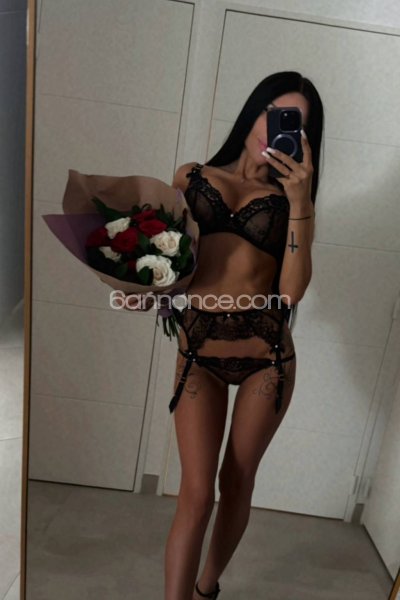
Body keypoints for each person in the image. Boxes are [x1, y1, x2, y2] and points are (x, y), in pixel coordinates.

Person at [164, 71, 324, 600]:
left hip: (266, 359)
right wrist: (144, 286)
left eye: (293, 123)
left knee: (236, 482)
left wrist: (301, 202)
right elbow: (166, 258)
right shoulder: (191, 176)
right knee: (195, 495)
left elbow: (292, 292)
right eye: (272, 113)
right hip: (199, 355)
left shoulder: (292, 201)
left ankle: (207, 587)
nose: (276, 129)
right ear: (254, 112)